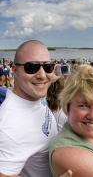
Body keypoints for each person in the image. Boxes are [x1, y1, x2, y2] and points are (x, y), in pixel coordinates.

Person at [0, 40, 72, 177]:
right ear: (14, 70)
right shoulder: (9, 124)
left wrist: (54, 74)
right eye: (31, 67)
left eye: (47, 66)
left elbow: (44, 79)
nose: (42, 75)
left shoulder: (32, 93)